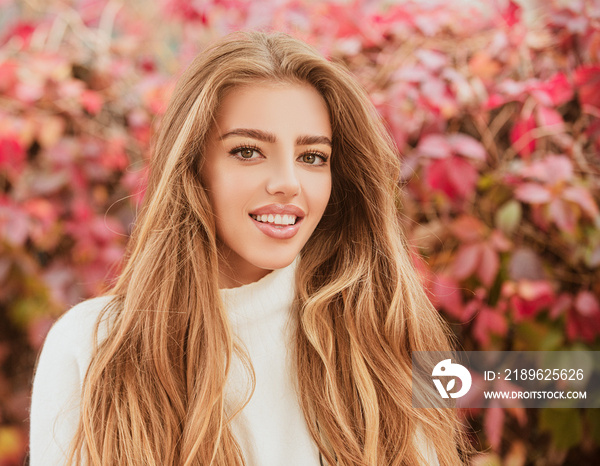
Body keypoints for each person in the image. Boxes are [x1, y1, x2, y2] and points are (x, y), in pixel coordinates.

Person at [30, 30, 470, 465]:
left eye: (312, 157)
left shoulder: (387, 333)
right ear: (194, 167)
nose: (287, 182)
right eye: (247, 151)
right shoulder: (91, 348)